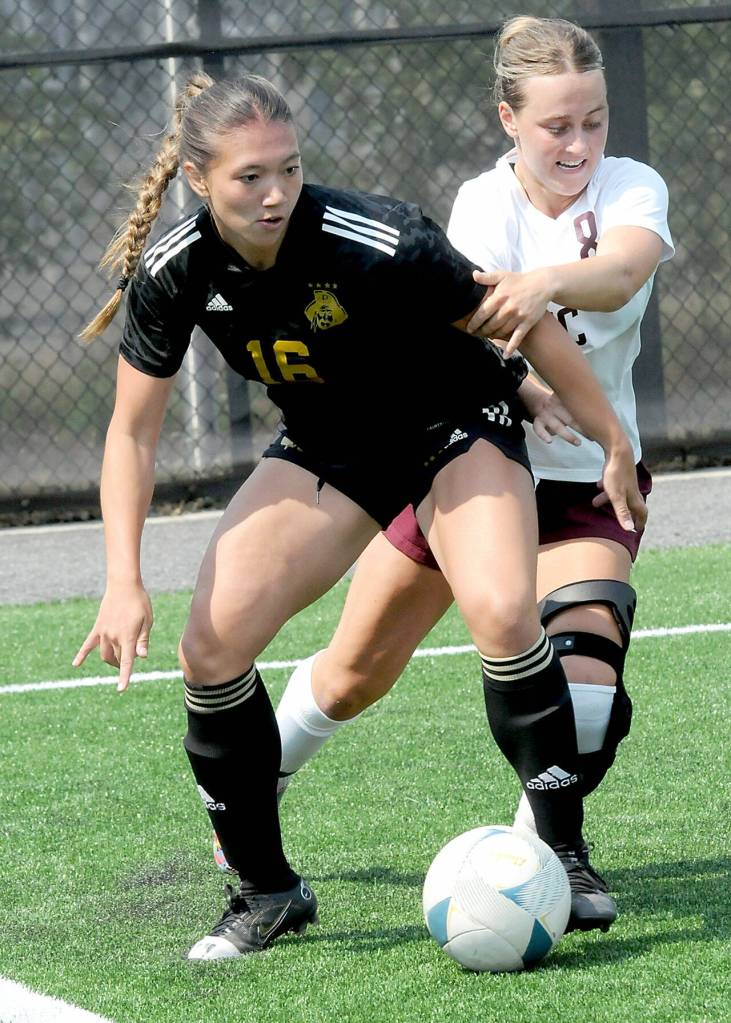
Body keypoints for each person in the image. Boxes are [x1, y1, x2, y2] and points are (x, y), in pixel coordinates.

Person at [72, 68, 644, 961]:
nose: (275, 194)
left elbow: (516, 323)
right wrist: (122, 579)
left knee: (500, 611)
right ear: (198, 180)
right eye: (249, 178)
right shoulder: (174, 268)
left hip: (451, 428)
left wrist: (605, 434)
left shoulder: (379, 235)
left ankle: (563, 857)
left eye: (289, 170)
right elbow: (133, 434)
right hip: (329, 449)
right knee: (211, 648)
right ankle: (265, 891)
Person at [272, 15, 673, 933]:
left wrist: (541, 286)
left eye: (594, 121)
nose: (578, 144)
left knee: (584, 685)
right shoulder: (478, 205)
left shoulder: (632, 186)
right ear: (508, 119)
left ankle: (546, 854)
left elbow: (618, 275)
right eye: (554, 127)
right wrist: (527, 356)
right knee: (351, 675)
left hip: (583, 482)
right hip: (469, 463)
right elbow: (480, 341)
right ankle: (258, 781)